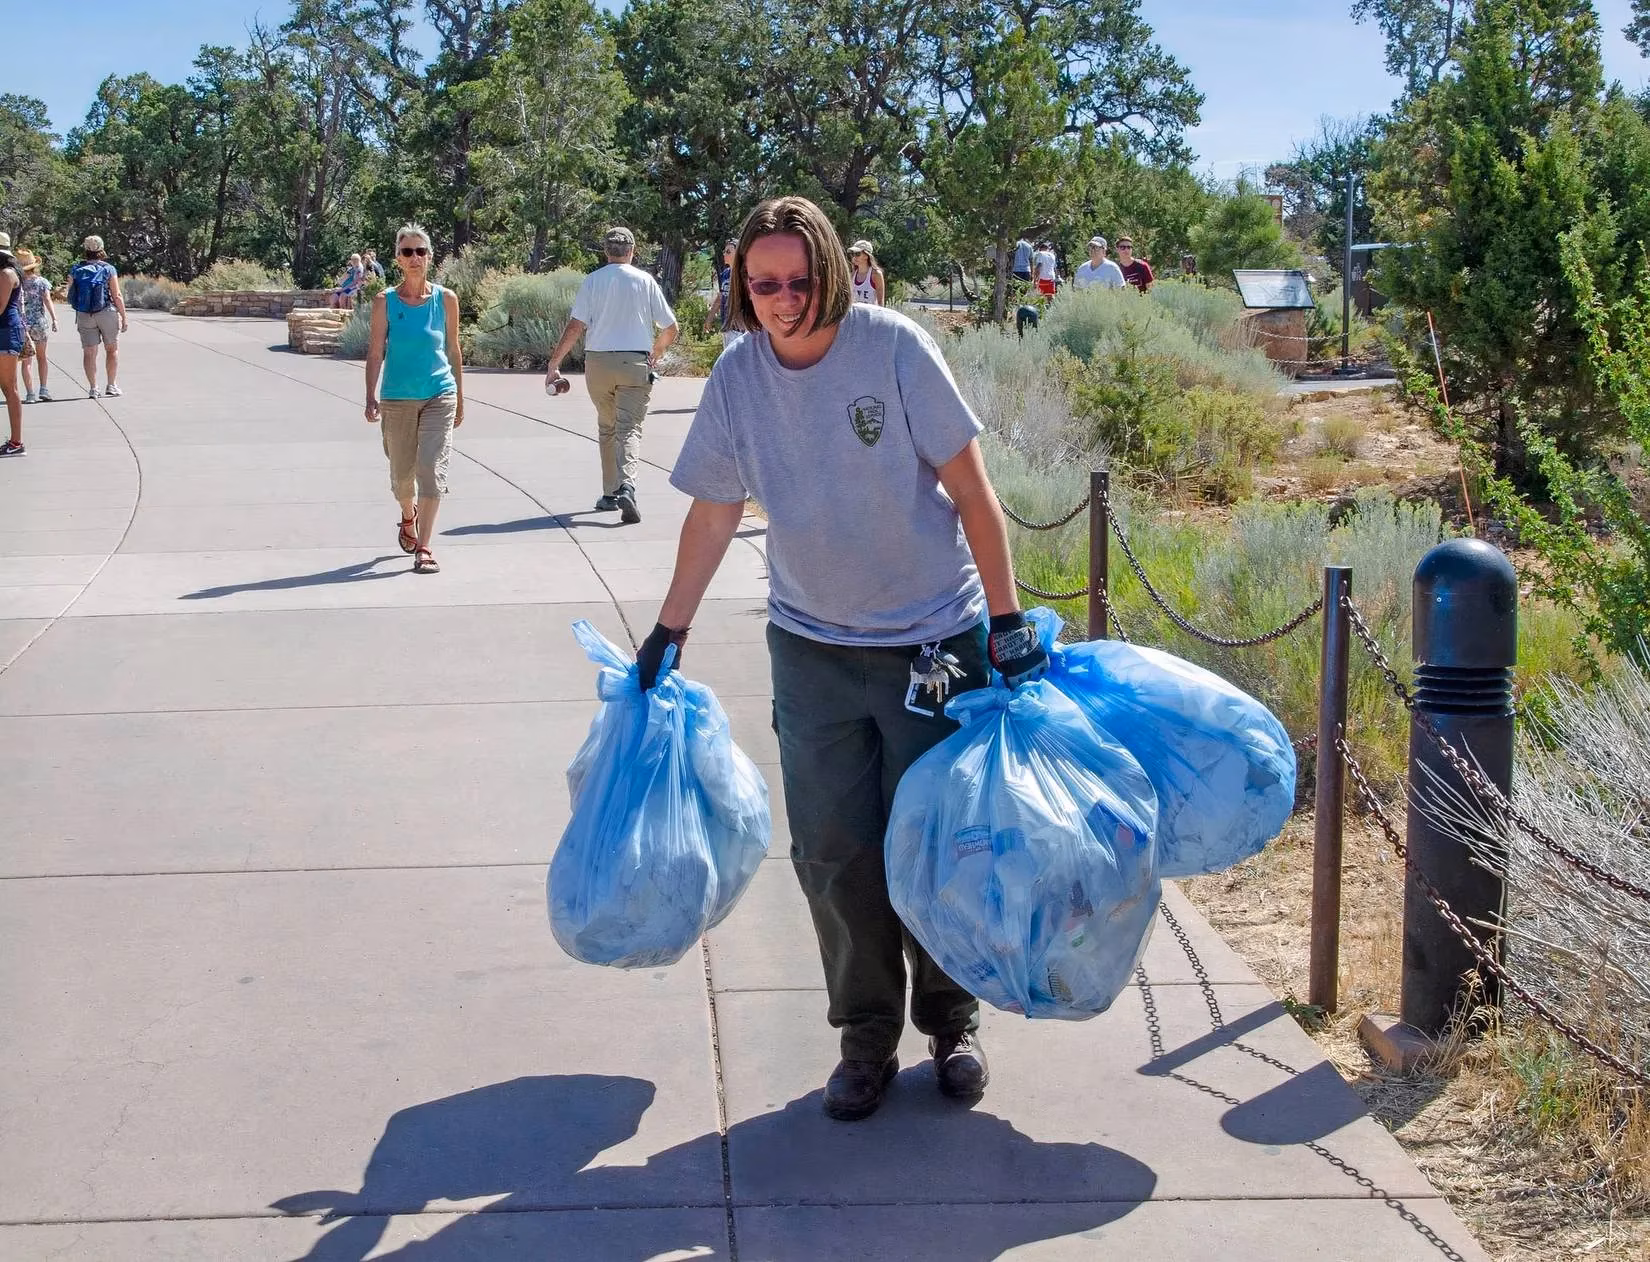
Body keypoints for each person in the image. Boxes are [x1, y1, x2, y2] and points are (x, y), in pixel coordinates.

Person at [642, 195, 1049, 1122]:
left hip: (931, 646)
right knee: (832, 850)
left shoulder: (894, 346)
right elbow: (712, 512)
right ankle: (866, 1035)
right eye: (762, 283)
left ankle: (951, 1023)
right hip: (813, 648)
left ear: (829, 269)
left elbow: (973, 492)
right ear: (742, 287)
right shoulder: (740, 376)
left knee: (939, 840)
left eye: (796, 280)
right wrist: (670, 629)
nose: (782, 299)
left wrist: (1006, 619)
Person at [545, 227, 678, 525]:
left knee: (607, 427)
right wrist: (656, 351)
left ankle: (609, 493)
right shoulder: (645, 281)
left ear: (606, 251)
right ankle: (627, 486)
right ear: (632, 251)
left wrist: (554, 363)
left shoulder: (593, 281)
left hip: (598, 364)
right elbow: (671, 328)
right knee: (629, 429)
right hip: (635, 362)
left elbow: (575, 326)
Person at [363, 224, 464, 575]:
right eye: (407, 252)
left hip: (440, 393)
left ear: (430, 257)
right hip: (397, 398)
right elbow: (376, 353)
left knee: (432, 473)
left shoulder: (446, 299)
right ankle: (408, 514)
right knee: (402, 477)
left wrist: (461, 399)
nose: (415, 258)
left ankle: (425, 546)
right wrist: (370, 396)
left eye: (421, 251)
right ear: (398, 259)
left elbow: (453, 349)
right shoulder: (384, 302)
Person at [68, 235, 127, 399]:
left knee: (89, 352)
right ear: (101, 249)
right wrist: (124, 316)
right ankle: (111, 385)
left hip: (84, 313)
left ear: (85, 250)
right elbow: (117, 294)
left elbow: (70, 291)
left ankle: (94, 388)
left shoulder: (76, 269)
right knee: (112, 349)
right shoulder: (108, 269)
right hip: (106, 311)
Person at [14, 249, 57, 403]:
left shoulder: (16, 282)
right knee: (42, 357)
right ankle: (44, 388)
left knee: (26, 361)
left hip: (23, 324)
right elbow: (47, 300)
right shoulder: (41, 282)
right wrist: (54, 318)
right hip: (39, 322)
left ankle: (30, 393)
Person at [0, 234, 26, 456]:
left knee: (9, 386)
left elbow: (0, 306)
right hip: (5, 330)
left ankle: (17, 442)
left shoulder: (7, 274)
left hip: (6, 331)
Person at [702, 238, 741, 350]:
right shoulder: (725, 274)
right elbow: (721, 297)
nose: (724, 254)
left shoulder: (744, 275)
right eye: (724, 251)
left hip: (740, 329)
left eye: (728, 252)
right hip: (727, 326)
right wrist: (710, 317)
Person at [848, 239, 885, 306]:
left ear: (866, 256)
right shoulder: (852, 274)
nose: (854, 257)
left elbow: (880, 303)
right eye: (853, 254)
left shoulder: (876, 274)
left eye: (857, 254)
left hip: (870, 315)